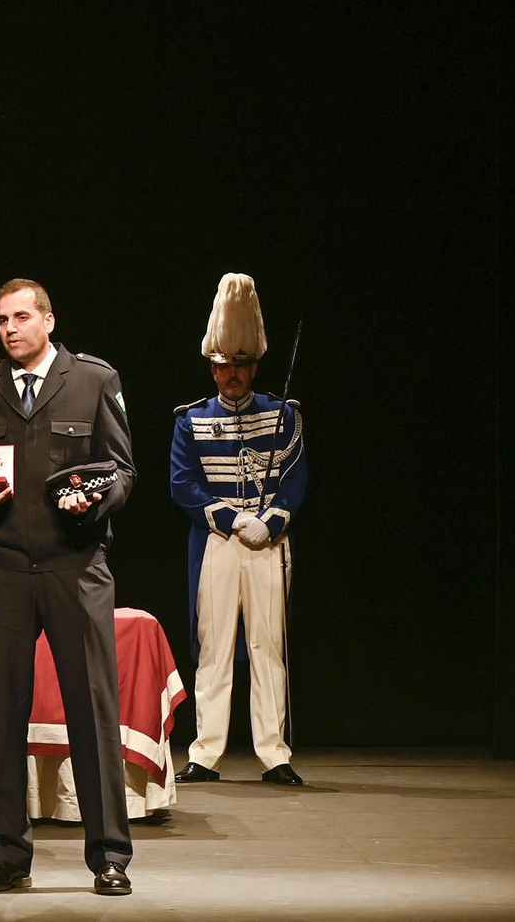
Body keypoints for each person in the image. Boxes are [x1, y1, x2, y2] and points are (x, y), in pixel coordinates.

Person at [0, 278, 135, 896]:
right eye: (1, 320)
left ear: (49, 320)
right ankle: (8, 854)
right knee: (0, 713)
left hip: (75, 568)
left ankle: (108, 856)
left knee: (92, 711)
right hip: (0, 568)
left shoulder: (94, 379)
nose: (10, 328)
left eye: (22, 317)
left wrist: (96, 497)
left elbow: (122, 469)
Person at [170, 273, 309, 787]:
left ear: (254, 365)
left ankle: (274, 753)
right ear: (212, 366)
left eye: (241, 364)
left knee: (269, 645)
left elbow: (295, 480)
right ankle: (206, 752)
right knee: (214, 644)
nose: (233, 374)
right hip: (218, 542)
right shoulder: (190, 420)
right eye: (224, 365)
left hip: (268, 541)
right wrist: (233, 519)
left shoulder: (283, 415)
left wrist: (270, 521)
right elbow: (183, 485)